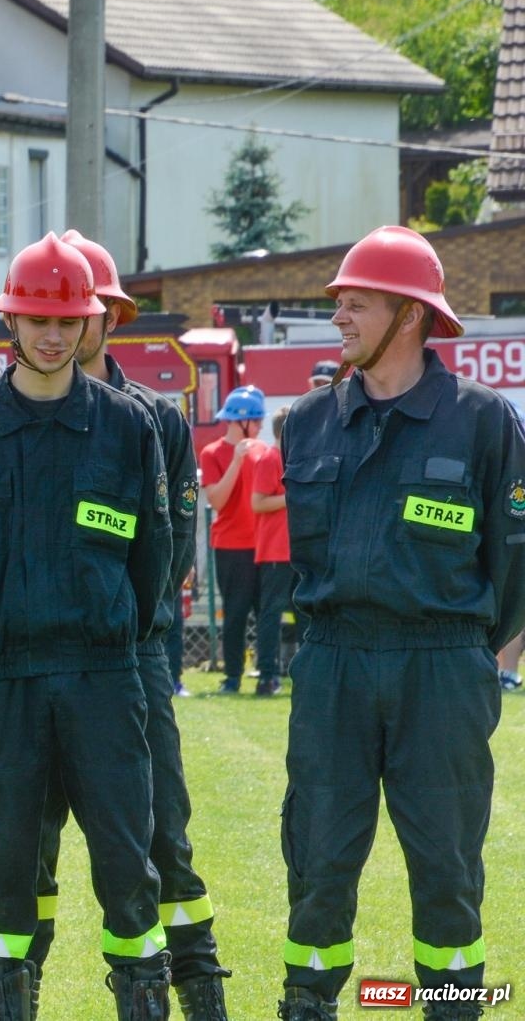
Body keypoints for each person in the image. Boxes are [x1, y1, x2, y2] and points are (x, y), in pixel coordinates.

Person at [277, 226, 525, 1021]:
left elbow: (518, 555)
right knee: (317, 856)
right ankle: (308, 1002)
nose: (340, 317)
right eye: (339, 303)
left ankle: (454, 1007)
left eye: (356, 303)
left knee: (447, 865)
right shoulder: (307, 422)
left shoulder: (483, 421)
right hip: (332, 665)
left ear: (410, 315)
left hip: (443, 668)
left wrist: (487, 656)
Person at [0, 234, 173, 1020]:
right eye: (37, 317)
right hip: (4, 681)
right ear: (11, 321)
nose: (53, 334)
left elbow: (152, 556)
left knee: (128, 870)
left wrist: (108, 633)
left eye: (68, 318)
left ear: (90, 323)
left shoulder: (129, 429)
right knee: (3, 868)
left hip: (105, 673)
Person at [21, 230, 228, 1019]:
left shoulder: (152, 420)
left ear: (111, 316)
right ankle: (19, 988)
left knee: (161, 834)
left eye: (94, 307)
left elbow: (168, 549)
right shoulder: (18, 409)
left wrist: (123, 629)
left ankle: (198, 992)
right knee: (26, 847)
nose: (76, 319)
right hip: (34, 668)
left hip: (131, 656)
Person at [198, 385, 267, 693]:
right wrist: (237, 461)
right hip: (230, 547)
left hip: (264, 546)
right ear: (242, 421)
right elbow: (219, 500)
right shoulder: (212, 453)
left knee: (268, 613)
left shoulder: (265, 454)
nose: (261, 426)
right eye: (257, 420)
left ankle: (268, 675)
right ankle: (233, 677)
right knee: (235, 614)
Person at [249, 406, 291, 695]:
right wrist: (292, 497)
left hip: (297, 551)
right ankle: (267, 676)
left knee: (305, 615)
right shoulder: (270, 459)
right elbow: (258, 502)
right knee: (271, 615)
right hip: (276, 552)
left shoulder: (292, 460)